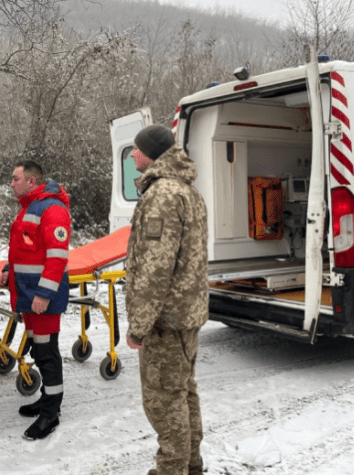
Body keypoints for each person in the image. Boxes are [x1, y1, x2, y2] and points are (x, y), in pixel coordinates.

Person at [124, 124, 208, 475]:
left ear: (152, 154)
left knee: (163, 400)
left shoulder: (162, 194)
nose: (131, 154)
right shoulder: (187, 190)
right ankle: (191, 465)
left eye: (136, 149)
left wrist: (138, 327)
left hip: (165, 321)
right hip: (185, 316)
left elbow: (155, 270)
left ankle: (172, 469)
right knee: (184, 393)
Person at [0, 160, 71, 441]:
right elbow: (23, 248)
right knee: (39, 352)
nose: (11, 183)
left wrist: (43, 294)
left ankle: (50, 414)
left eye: (15, 179)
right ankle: (46, 400)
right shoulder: (30, 207)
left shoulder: (52, 209)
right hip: (29, 295)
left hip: (42, 297)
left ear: (31, 181)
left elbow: (57, 257)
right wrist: (8, 269)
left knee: (47, 354)